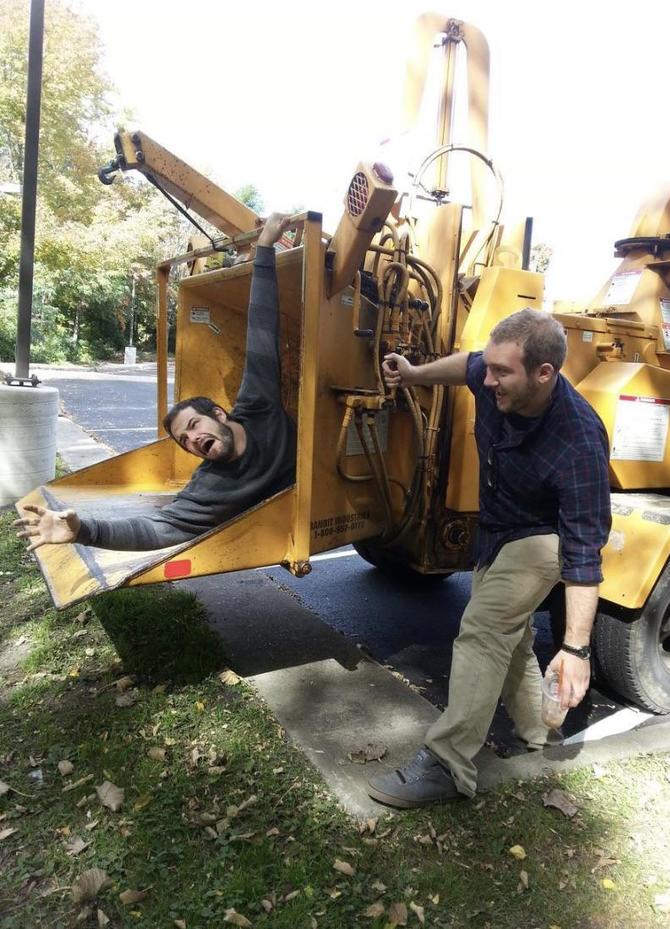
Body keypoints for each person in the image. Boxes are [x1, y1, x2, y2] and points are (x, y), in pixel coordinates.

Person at [367, 308, 611, 808]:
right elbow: (466, 366)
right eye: (490, 367)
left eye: (502, 372)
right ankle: (540, 737)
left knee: (482, 631)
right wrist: (413, 375)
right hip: (496, 528)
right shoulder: (493, 374)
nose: (488, 377)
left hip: (544, 539)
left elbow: (585, 554)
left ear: (544, 374)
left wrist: (577, 648)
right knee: (512, 639)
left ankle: (447, 764)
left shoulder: (579, 439)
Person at [14, 213, 297, 553]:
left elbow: (261, 331)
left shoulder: (258, 405)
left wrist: (265, 248)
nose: (192, 439)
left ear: (221, 415)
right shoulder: (212, 485)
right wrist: (82, 531)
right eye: (184, 440)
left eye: (193, 425)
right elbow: (157, 529)